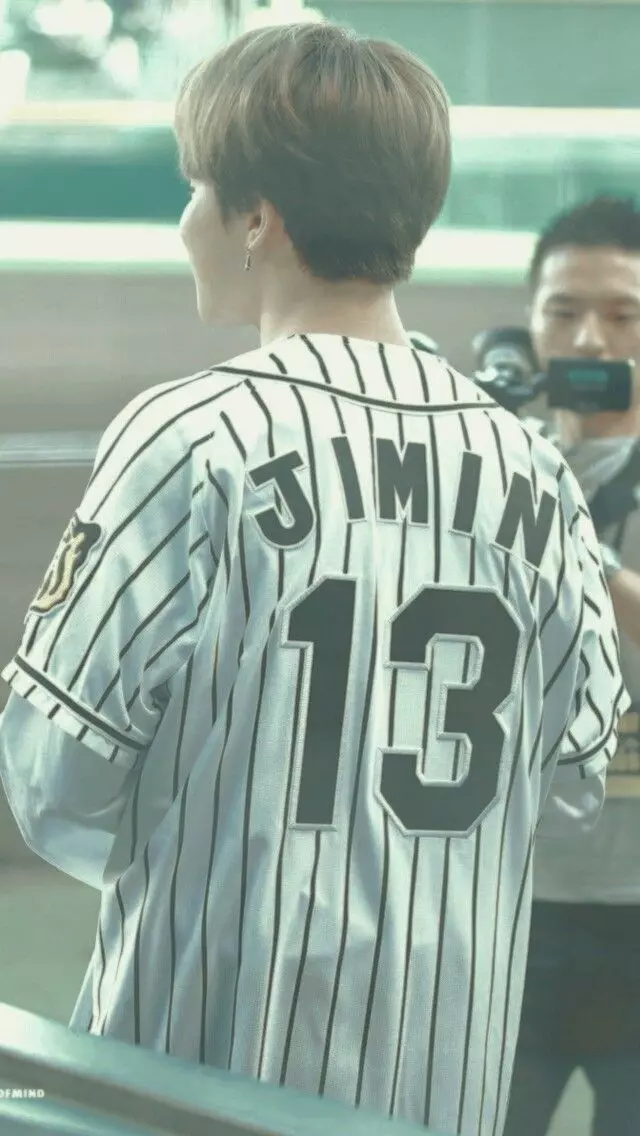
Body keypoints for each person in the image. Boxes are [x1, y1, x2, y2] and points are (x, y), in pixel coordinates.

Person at [0, 25, 628, 1136]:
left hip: (195, 1070)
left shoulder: (189, 435)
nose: (186, 220)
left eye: (197, 188)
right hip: (446, 1081)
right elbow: (576, 785)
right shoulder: (532, 466)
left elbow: (54, 777)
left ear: (258, 218)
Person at [504, 195, 640, 1136]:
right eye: (563, 311)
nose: (590, 336)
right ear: (530, 324)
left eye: (624, 314)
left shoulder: (527, 493)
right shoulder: (494, 469)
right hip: (515, 905)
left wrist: (572, 542)